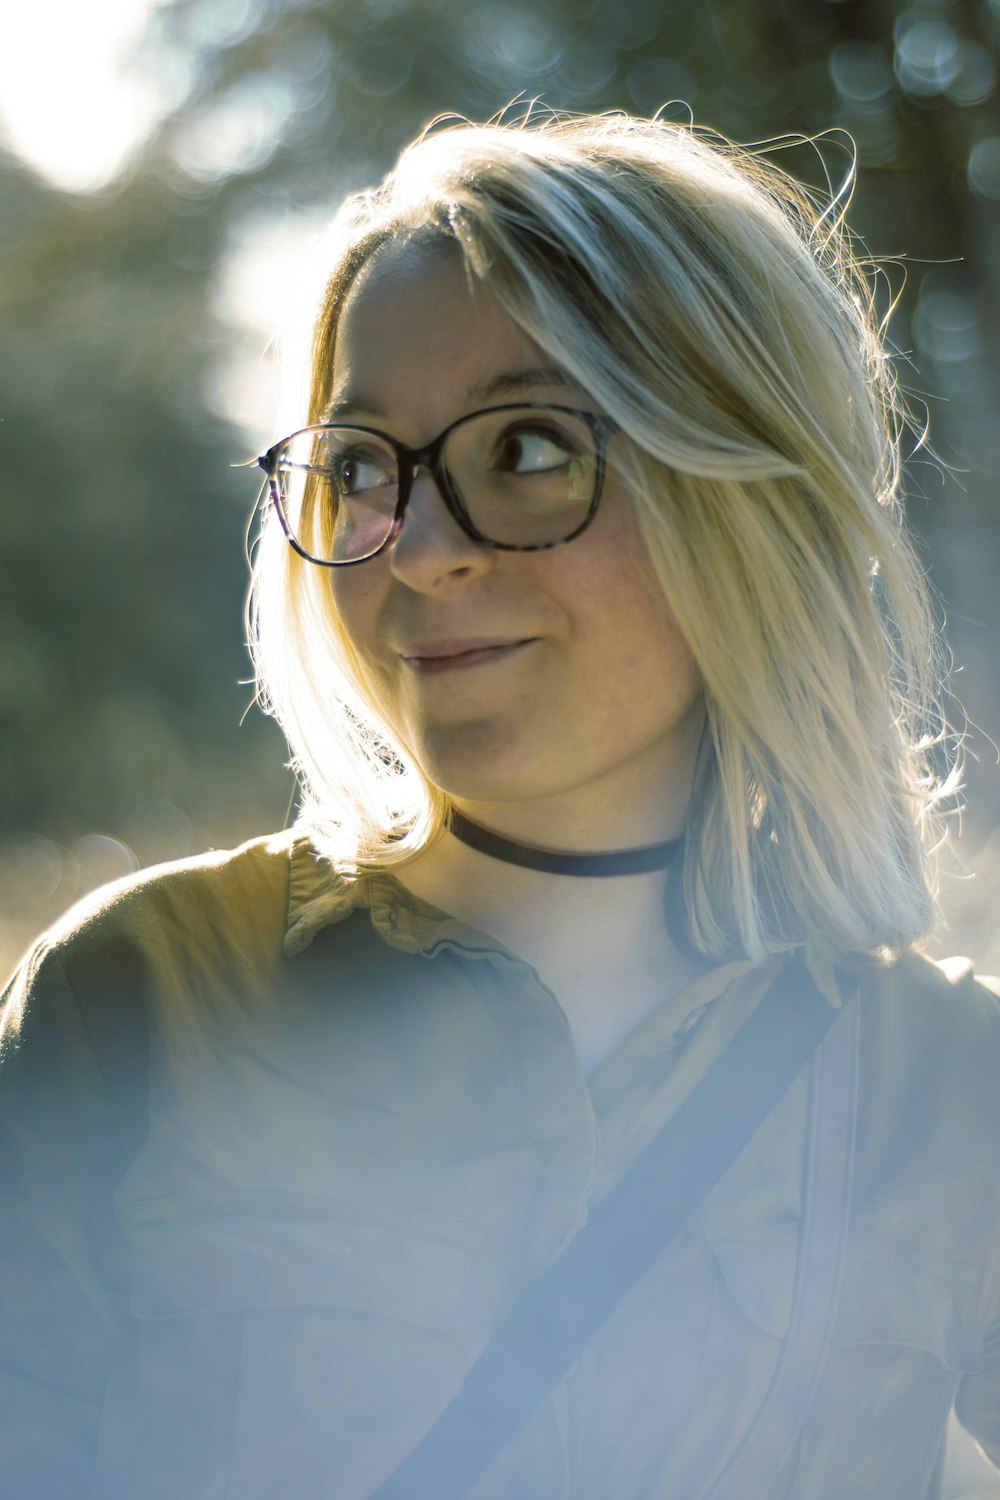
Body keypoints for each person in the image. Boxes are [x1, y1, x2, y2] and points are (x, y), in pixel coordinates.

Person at [1, 110, 998, 1500]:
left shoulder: (950, 1086)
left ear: (745, 485)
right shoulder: (136, 1000)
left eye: (528, 451)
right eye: (360, 466)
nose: (415, 550)